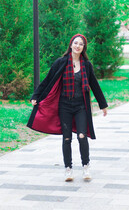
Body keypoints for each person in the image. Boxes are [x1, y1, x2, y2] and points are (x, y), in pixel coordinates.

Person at [27, 34, 108, 182]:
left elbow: (94, 85)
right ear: (71, 45)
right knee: (66, 138)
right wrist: (35, 96)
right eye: (75, 43)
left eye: (81, 44)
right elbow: (47, 80)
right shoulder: (61, 63)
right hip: (64, 106)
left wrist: (103, 105)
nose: (78, 46)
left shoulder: (86, 65)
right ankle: (68, 169)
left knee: (82, 137)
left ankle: (85, 166)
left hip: (81, 106)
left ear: (83, 48)